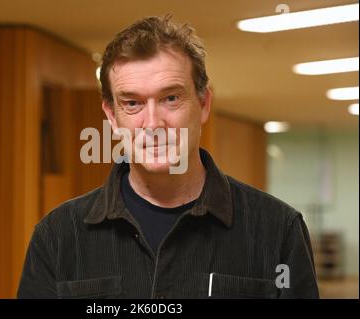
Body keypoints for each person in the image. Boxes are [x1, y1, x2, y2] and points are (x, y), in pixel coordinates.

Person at [17, 15, 319, 299]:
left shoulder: (278, 229)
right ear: (111, 115)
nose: (153, 124)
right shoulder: (57, 236)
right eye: (132, 102)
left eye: (170, 98)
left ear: (203, 104)